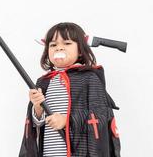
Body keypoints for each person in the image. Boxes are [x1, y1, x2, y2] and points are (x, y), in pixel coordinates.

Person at [19, 22, 121, 157]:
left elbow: (101, 115)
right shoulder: (43, 82)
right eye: (53, 45)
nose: (59, 48)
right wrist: (37, 107)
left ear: (80, 49)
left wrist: (67, 120)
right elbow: (37, 123)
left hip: (80, 151)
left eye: (67, 43)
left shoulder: (89, 78)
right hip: (49, 151)